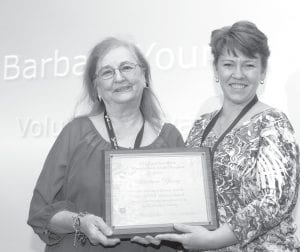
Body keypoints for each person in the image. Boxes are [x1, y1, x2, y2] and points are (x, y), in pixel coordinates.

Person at [27, 37, 184, 252]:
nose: (119, 78)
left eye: (126, 67)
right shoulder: (75, 134)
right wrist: (80, 222)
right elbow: (40, 211)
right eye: (107, 72)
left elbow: (185, 215)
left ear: (145, 75)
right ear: (97, 87)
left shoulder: (170, 138)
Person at [156, 21, 300, 251]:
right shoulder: (201, 125)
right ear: (216, 70)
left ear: (263, 71)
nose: (238, 74)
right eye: (228, 64)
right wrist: (156, 229)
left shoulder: (273, 124)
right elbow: (184, 192)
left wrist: (213, 240)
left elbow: (274, 202)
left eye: (249, 65)